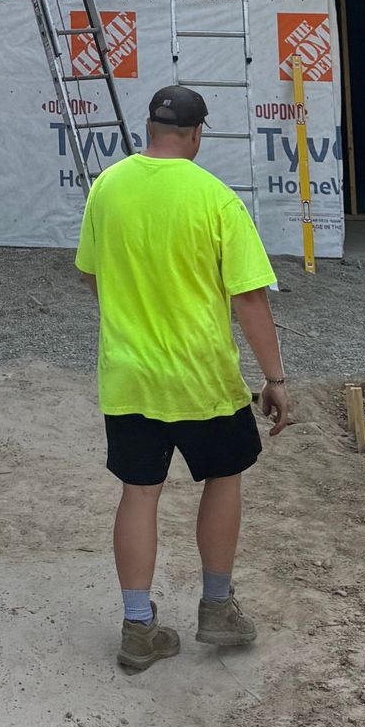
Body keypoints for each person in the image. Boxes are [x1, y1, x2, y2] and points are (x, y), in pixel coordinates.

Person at [75, 81, 291, 670]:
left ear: (149, 129)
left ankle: (137, 627)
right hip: (203, 378)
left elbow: (91, 274)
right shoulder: (216, 199)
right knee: (223, 477)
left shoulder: (107, 187)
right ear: (197, 134)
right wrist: (274, 378)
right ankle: (216, 609)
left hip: (129, 377)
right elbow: (249, 299)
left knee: (138, 493)